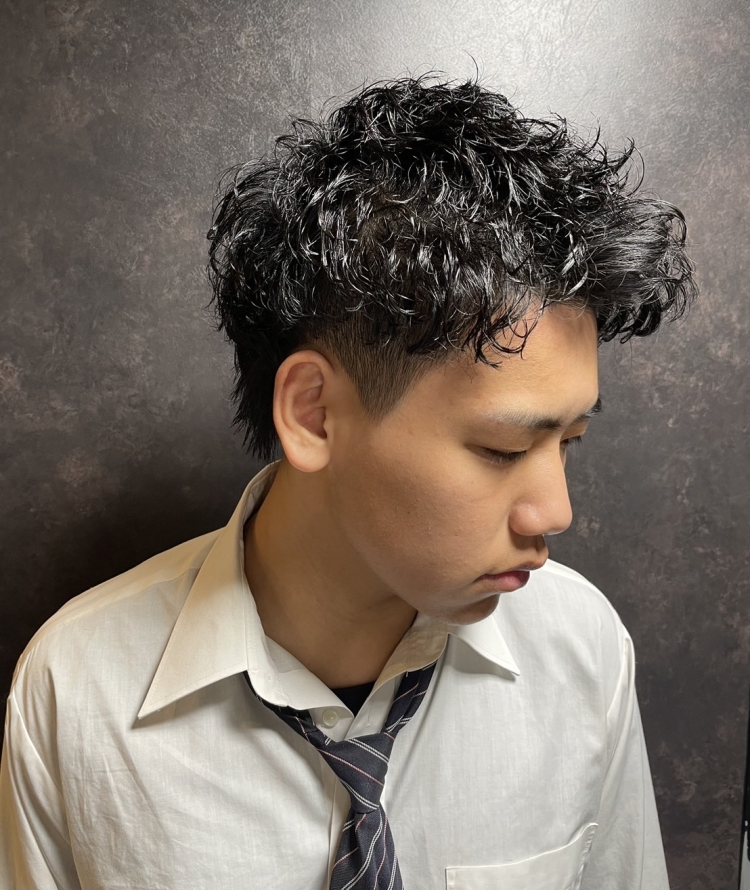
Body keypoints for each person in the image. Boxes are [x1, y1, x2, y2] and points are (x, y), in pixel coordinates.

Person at [0, 76, 696, 890]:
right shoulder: (74, 692)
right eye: (503, 449)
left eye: (569, 442)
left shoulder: (581, 651)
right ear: (315, 413)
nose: (556, 512)